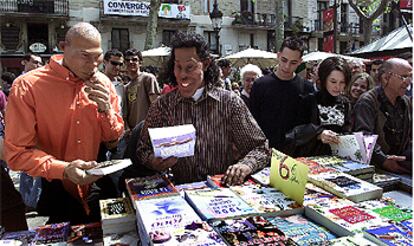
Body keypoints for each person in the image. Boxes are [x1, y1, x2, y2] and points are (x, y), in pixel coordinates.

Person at [4, 22, 124, 224]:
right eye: (85, 56)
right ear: (63, 47)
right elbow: (17, 153)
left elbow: (113, 140)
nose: (93, 64)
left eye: (98, 57)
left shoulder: (103, 83)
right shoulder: (28, 86)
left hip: (100, 189)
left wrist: (106, 111)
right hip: (56, 189)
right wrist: (64, 169)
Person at [137, 32, 270, 186]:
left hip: (221, 191)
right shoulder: (162, 106)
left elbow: (260, 148)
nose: (182, 75)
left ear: (205, 64)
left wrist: (245, 165)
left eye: (190, 67)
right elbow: (142, 148)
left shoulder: (230, 103)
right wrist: (153, 161)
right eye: (178, 67)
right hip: (179, 192)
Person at [250, 36, 314, 154]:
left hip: (297, 153)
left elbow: (309, 125)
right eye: (284, 60)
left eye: (293, 62)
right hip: (265, 152)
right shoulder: (260, 85)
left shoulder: (307, 88)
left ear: (300, 62)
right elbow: (252, 122)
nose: (287, 66)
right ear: (278, 55)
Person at [284, 57, 352, 157]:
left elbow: (347, 129)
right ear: (324, 80)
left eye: (342, 82)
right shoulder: (308, 101)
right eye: (333, 82)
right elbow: (295, 132)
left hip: (339, 158)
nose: (337, 87)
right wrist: (318, 134)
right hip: (312, 157)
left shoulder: (345, 103)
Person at [354, 58, 412, 174]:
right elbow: (364, 137)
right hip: (376, 168)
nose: (408, 81)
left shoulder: (406, 102)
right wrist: (384, 160)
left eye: (410, 77)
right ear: (386, 78)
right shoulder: (368, 101)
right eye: (404, 77)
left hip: (400, 165)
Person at [124, 48, 160, 133]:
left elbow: (156, 105)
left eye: (134, 59)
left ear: (140, 63)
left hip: (148, 130)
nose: (131, 62)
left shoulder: (148, 78)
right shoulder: (126, 87)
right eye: (128, 60)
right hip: (133, 133)